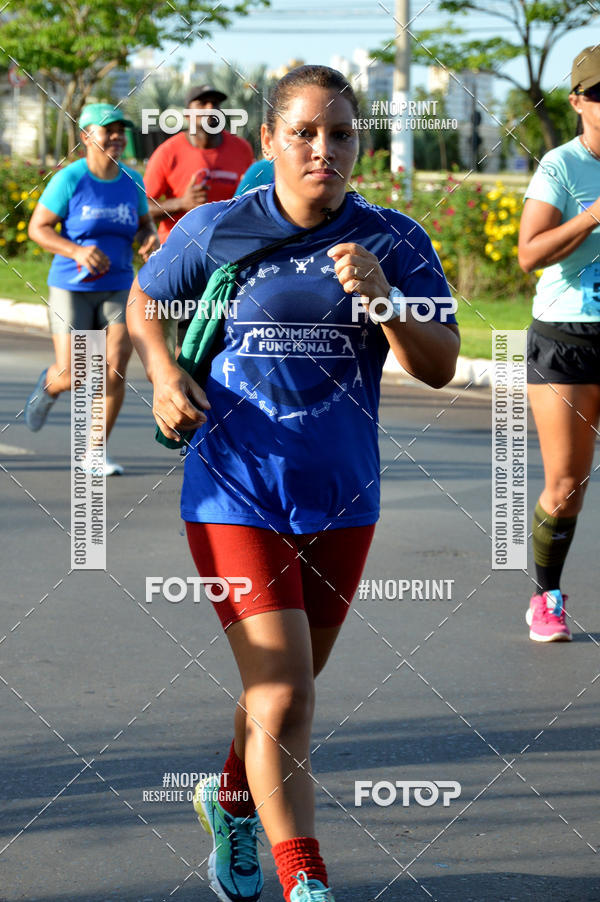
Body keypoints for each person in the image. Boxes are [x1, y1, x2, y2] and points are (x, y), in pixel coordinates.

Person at [127, 65, 459, 902]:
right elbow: (143, 301)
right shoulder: (217, 227)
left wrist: (385, 301)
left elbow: (441, 366)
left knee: (283, 691)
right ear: (269, 140)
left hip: (344, 496)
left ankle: (230, 800)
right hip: (233, 490)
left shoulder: (395, 240)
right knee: (284, 689)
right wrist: (163, 375)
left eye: (340, 134)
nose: (323, 149)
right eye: (304, 132)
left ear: (358, 145)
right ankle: (303, 879)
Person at [24, 103, 159, 475]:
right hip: (71, 286)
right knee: (76, 372)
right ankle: (49, 386)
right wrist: (77, 251)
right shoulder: (70, 179)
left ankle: (94, 452)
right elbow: (38, 228)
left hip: (119, 284)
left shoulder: (132, 179)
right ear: (86, 136)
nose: (116, 136)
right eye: (107, 129)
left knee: (114, 367)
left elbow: (144, 224)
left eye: (120, 130)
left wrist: (148, 238)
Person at [518, 45, 600, 642]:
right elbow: (529, 254)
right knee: (567, 485)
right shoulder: (562, 165)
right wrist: (593, 215)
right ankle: (546, 597)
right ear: (577, 102)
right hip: (567, 336)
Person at [143, 84, 254, 243]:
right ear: (187, 115)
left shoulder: (242, 149)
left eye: (215, 103)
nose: (210, 108)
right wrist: (181, 203)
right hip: (178, 249)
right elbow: (142, 209)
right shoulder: (167, 152)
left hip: (228, 248)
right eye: (202, 103)